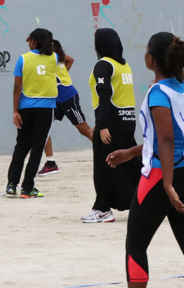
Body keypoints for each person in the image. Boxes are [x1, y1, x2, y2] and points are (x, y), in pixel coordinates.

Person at [106, 32, 184, 288]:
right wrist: (130, 152)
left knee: (135, 246)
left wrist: (167, 185)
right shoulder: (182, 88)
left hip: (161, 176)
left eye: (146, 51)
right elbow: (166, 136)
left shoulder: (158, 92)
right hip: (181, 174)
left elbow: (166, 139)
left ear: (151, 58)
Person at [84, 28, 141, 222]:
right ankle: (151, 197)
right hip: (127, 122)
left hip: (111, 123)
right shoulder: (125, 66)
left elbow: (104, 94)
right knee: (130, 164)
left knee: (103, 166)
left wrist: (103, 124)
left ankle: (102, 209)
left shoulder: (103, 65)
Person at [7, 28, 57, 199]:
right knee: (37, 148)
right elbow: (67, 57)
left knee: (21, 145)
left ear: (33, 41)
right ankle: (28, 187)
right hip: (46, 109)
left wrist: (15, 111)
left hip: (25, 107)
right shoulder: (54, 58)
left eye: (29, 40)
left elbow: (16, 87)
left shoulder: (23, 58)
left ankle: (12, 184)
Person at [38, 39, 94, 176]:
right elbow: (70, 60)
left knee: (84, 130)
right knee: (43, 127)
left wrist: (63, 78)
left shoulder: (52, 56)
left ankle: (110, 152)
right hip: (56, 98)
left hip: (67, 97)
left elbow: (71, 60)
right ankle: (51, 163)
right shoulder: (47, 57)